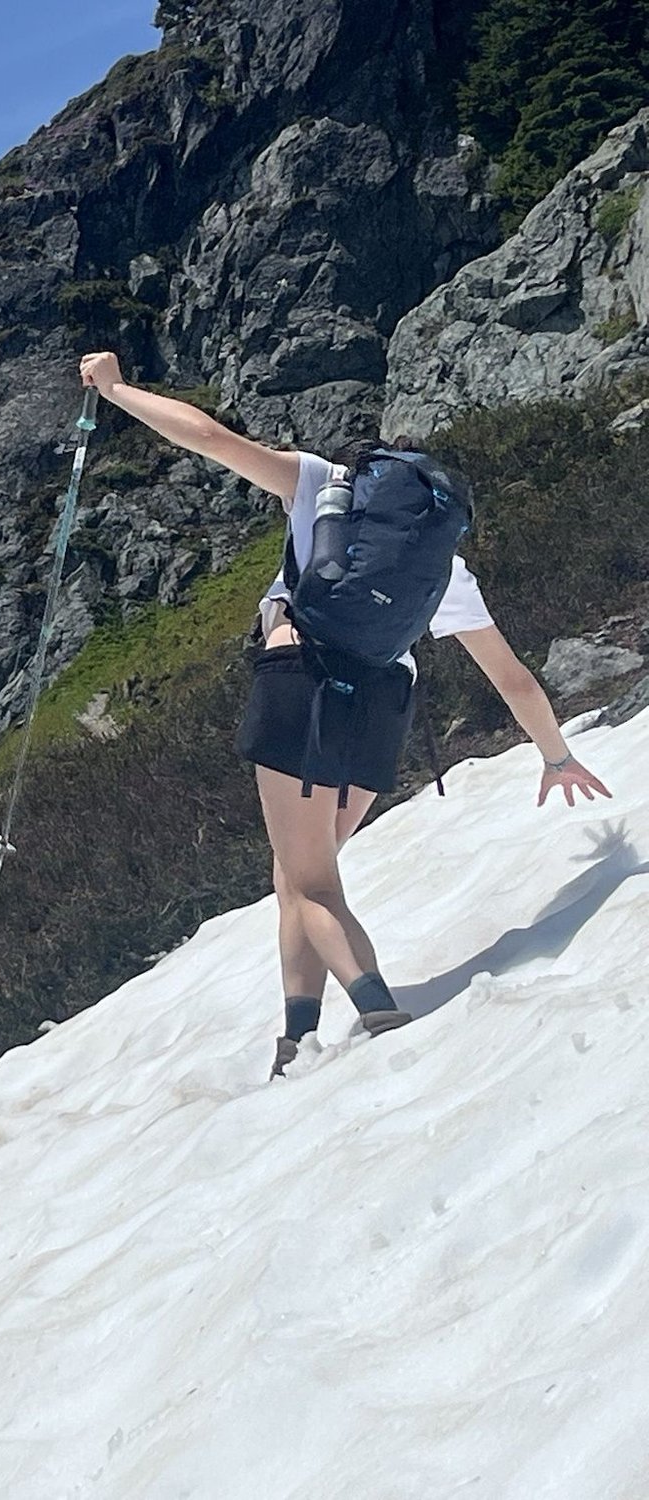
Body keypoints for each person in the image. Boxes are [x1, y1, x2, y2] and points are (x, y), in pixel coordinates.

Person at [76, 352, 611, 1077]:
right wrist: (556, 756)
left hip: (304, 683)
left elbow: (206, 437)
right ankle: (296, 1039)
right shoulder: (443, 572)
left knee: (312, 884)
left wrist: (115, 390)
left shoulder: (320, 485)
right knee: (296, 874)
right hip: (382, 712)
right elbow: (513, 680)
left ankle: (378, 1008)